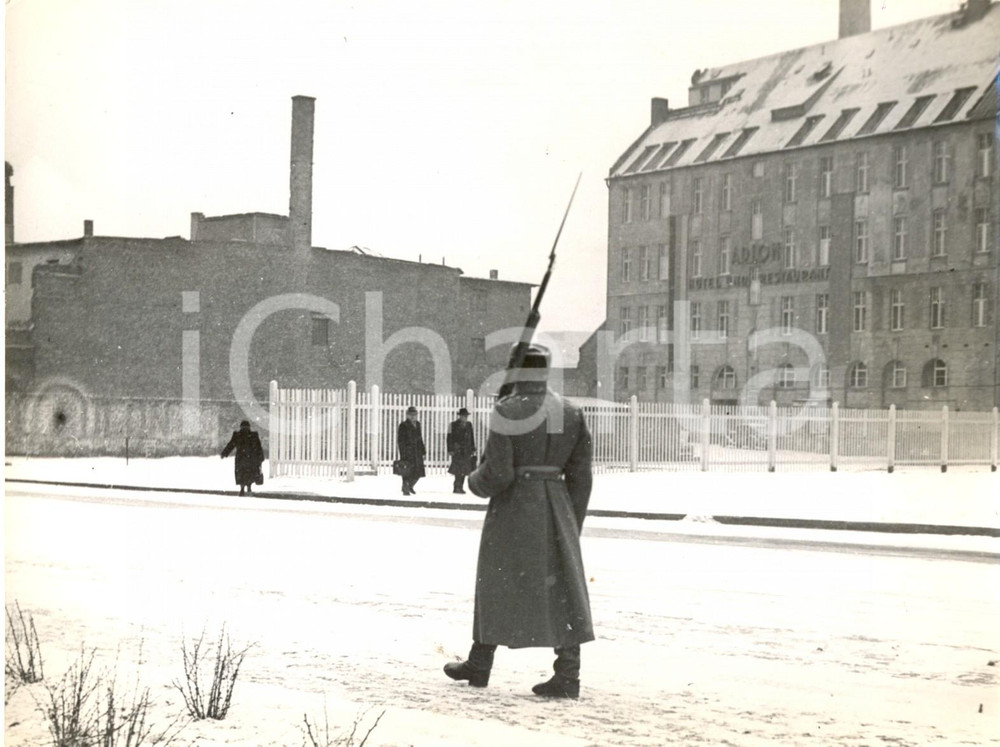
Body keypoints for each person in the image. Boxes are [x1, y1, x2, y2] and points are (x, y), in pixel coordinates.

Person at [443, 344, 594, 698]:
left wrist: (472, 480)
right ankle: (568, 674)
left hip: (514, 510)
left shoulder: (507, 411)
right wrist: (572, 520)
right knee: (562, 590)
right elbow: (581, 475)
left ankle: (480, 662)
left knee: (497, 584)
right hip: (557, 508)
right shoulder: (570, 411)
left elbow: (497, 474)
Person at [221, 420, 264, 496]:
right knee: (249, 473)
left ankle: (242, 488)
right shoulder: (253, 436)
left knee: (241, 474)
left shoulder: (238, 435)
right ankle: (248, 487)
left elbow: (231, 445)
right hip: (251, 459)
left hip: (241, 459)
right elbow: (258, 447)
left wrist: (224, 453)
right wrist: (261, 457)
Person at [446, 407, 477, 494]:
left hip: (466, 450)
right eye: (463, 416)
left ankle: (461, 487)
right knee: (457, 470)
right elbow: (449, 438)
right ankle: (456, 487)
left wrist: (473, 448)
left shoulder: (469, 425)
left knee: (465, 469)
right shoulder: (452, 425)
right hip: (457, 450)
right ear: (459, 416)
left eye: (466, 416)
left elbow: (471, 437)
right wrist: (450, 449)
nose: (465, 417)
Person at [397, 405, 426, 495]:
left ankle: (410, 486)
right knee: (407, 471)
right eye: (410, 415)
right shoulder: (403, 425)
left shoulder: (418, 424)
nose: (413, 416)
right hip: (407, 451)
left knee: (418, 472)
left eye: (414, 415)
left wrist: (423, 451)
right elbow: (400, 440)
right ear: (407, 415)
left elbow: (420, 438)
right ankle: (406, 488)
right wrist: (403, 452)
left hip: (417, 451)